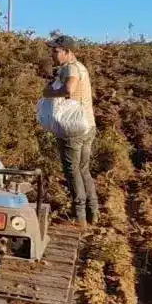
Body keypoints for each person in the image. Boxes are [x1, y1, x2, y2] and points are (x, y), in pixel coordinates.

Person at [43, 34, 99, 225]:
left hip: (73, 127)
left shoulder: (70, 68)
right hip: (88, 125)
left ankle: (79, 216)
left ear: (67, 52)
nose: (53, 54)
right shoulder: (81, 67)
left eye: (56, 51)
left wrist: (50, 93)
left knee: (72, 170)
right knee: (83, 169)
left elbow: (69, 89)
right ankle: (93, 212)